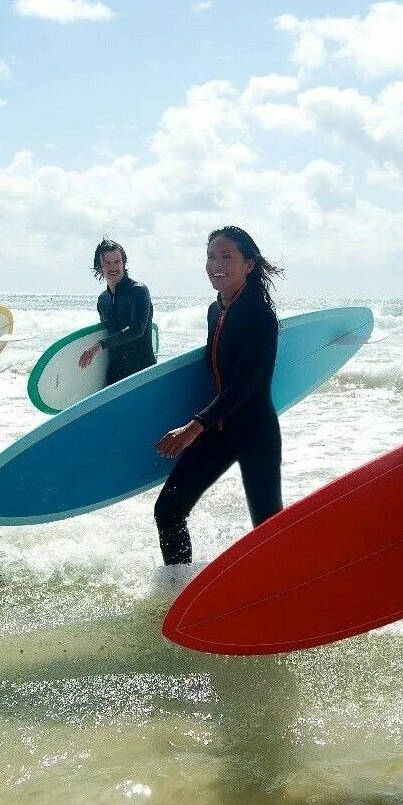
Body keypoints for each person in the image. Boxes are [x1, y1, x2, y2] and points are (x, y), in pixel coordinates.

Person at [154, 226, 283, 566]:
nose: (216, 264)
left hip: (254, 432)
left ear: (249, 265)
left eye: (227, 256)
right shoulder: (216, 310)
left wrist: (194, 426)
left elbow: (244, 385)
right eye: (212, 256)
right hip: (219, 429)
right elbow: (212, 373)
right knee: (168, 509)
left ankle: (283, 595)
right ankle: (179, 592)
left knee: (268, 529)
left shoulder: (259, 316)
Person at [78, 238, 156, 385]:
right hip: (114, 379)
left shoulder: (138, 291)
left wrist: (99, 345)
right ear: (100, 266)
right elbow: (106, 333)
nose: (113, 267)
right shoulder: (103, 300)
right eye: (107, 263)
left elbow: (137, 330)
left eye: (117, 262)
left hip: (143, 375)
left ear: (124, 263)